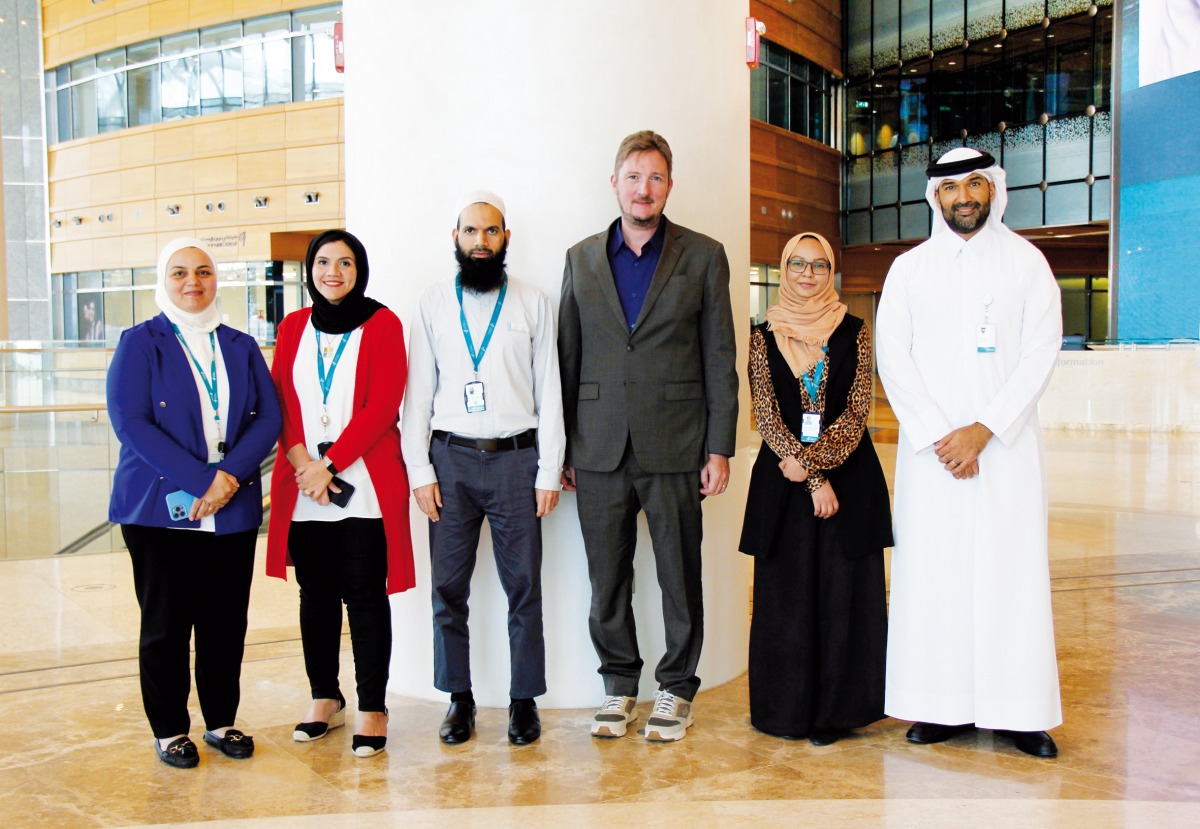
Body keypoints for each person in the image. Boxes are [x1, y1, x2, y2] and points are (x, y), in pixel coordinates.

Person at [875, 147, 1063, 758]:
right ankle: (939, 706)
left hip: (1005, 453)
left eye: (975, 185)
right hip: (933, 461)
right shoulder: (909, 269)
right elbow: (893, 358)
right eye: (952, 188)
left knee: (1010, 578)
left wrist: (984, 430)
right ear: (935, 197)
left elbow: (1041, 353)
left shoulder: (1028, 264)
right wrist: (939, 434)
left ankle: (1018, 712)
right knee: (935, 578)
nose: (964, 197)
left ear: (993, 190)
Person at [559, 130, 738, 742]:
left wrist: (719, 446)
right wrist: (562, 449)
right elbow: (567, 357)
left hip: (678, 443)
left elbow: (720, 355)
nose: (644, 188)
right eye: (633, 176)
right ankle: (618, 684)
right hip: (599, 446)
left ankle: (676, 689)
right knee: (606, 576)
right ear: (615, 182)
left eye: (656, 177)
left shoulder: (704, 254)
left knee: (678, 574)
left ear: (669, 185)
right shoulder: (581, 258)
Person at [107, 237, 281, 768]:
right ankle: (169, 729)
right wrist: (201, 479)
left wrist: (227, 477)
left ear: (216, 279)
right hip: (159, 509)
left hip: (230, 507)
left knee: (226, 620)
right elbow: (130, 421)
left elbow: (267, 418)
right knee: (166, 622)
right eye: (180, 272)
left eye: (203, 272)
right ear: (164, 279)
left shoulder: (240, 344)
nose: (192, 283)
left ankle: (221, 721)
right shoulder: (140, 342)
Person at [401, 192, 565, 746]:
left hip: (518, 460)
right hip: (449, 462)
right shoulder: (430, 304)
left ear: (506, 239)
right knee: (447, 587)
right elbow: (417, 394)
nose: (480, 242)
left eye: (491, 232)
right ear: (455, 238)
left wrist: (549, 471)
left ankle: (523, 702)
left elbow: (551, 390)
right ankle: (459, 699)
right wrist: (419, 471)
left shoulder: (533, 302)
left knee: (524, 587)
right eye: (470, 232)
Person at [266, 229, 415, 758]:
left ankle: (372, 705)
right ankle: (324, 696)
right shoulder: (292, 326)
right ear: (310, 269)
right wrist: (304, 463)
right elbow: (280, 399)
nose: (333, 272)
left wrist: (328, 463)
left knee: (366, 597)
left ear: (360, 270)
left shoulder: (383, 323)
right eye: (324, 262)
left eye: (345, 262)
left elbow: (382, 405)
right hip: (305, 482)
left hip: (364, 485)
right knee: (317, 595)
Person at [739, 232, 892, 745]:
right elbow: (764, 411)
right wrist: (809, 475)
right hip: (785, 484)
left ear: (832, 272)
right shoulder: (763, 335)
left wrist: (817, 469)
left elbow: (856, 412)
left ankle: (835, 713)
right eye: (799, 264)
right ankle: (785, 711)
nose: (808, 274)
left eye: (819, 265)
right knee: (788, 600)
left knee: (842, 597)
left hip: (847, 482)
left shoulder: (854, 330)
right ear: (785, 269)